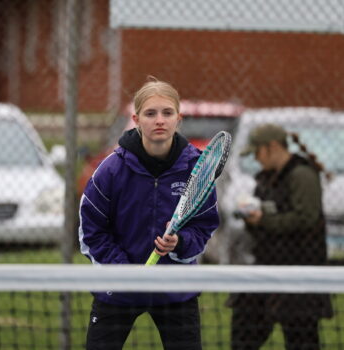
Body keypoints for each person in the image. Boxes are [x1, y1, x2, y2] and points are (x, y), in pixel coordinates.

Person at [78, 76, 220, 350]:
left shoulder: (198, 170)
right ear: (136, 119)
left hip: (175, 290)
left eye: (167, 113)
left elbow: (204, 226)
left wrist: (180, 244)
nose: (159, 120)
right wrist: (126, 272)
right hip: (118, 290)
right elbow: (91, 232)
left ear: (178, 119)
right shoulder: (111, 170)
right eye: (150, 113)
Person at [228, 124, 333, 350]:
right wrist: (251, 217)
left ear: (272, 147)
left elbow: (306, 219)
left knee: (301, 340)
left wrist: (263, 220)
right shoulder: (266, 178)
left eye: (257, 152)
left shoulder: (302, 175)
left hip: (300, 273)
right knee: (243, 334)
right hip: (265, 269)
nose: (256, 159)